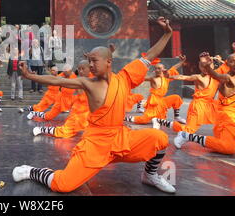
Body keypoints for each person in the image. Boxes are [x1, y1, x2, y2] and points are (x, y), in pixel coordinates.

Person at [12, 17, 176, 194]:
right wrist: (30, 76)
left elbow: (150, 55)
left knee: (160, 138)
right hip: (96, 143)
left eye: (94, 60)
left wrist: (167, 34)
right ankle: (31, 171)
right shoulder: (88, 83)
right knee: (63, 184)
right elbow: (56, 79)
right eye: (89, 61)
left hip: (121, 138)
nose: (90, 65)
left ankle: (149, 175)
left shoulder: (126, 78)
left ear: (108, 62)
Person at [173, 52, 235, 154]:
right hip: (227, 116)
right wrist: (207, 66)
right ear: (227, 64)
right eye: (232, 61)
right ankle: (186, 135)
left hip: (233, 113)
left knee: (226, 145)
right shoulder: (227, 77)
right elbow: (216, 75)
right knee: (228, 148)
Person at [152, 54, 221, 133]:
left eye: (207, 65)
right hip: (198, 106)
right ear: (199, 67)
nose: (205, 68)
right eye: (202, 66)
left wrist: (218, 59)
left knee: (226, 118)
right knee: (188, 130)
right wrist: (169, 76)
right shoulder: (198, 77)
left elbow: (228, 67)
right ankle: (159, 121)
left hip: (211, 105)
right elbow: (182, 77)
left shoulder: (217, 76)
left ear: (213, 66)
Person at [32, 60, 91, 138]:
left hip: (75, 103)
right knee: (49, 117)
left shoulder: (91, 77)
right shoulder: (70, 78)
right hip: (64, 101)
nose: (80, 71)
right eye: (79, 69)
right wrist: (32, 76)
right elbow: (54, 79)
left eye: (83, 69)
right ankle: (40, 126)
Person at [124, 55, 186, 125]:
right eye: (156, 68)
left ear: (163, 69)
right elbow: (142, 78)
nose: (157, 70)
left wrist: (182, 62)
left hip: (162, 101)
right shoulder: (153, 78)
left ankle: (177, 117)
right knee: (144, 120)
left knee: (176, 98)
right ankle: (126, 118)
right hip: (154, 102)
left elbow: (174, 67)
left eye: (159, 68)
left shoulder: (166, 76)